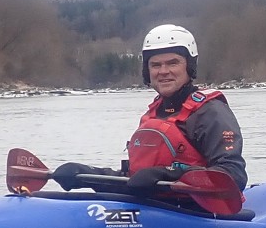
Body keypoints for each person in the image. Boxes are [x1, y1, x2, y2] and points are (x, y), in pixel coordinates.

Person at [49, 23, 248, 202]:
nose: (163, 71)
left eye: (173, 63)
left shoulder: (210, 112)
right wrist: (87, 175)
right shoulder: (153, 114)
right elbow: (135, 180)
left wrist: (171, 174)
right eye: (155, 65)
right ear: (147, 71)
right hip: (155, 210)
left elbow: (233, 175)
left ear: (189, 66)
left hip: (198, 214)